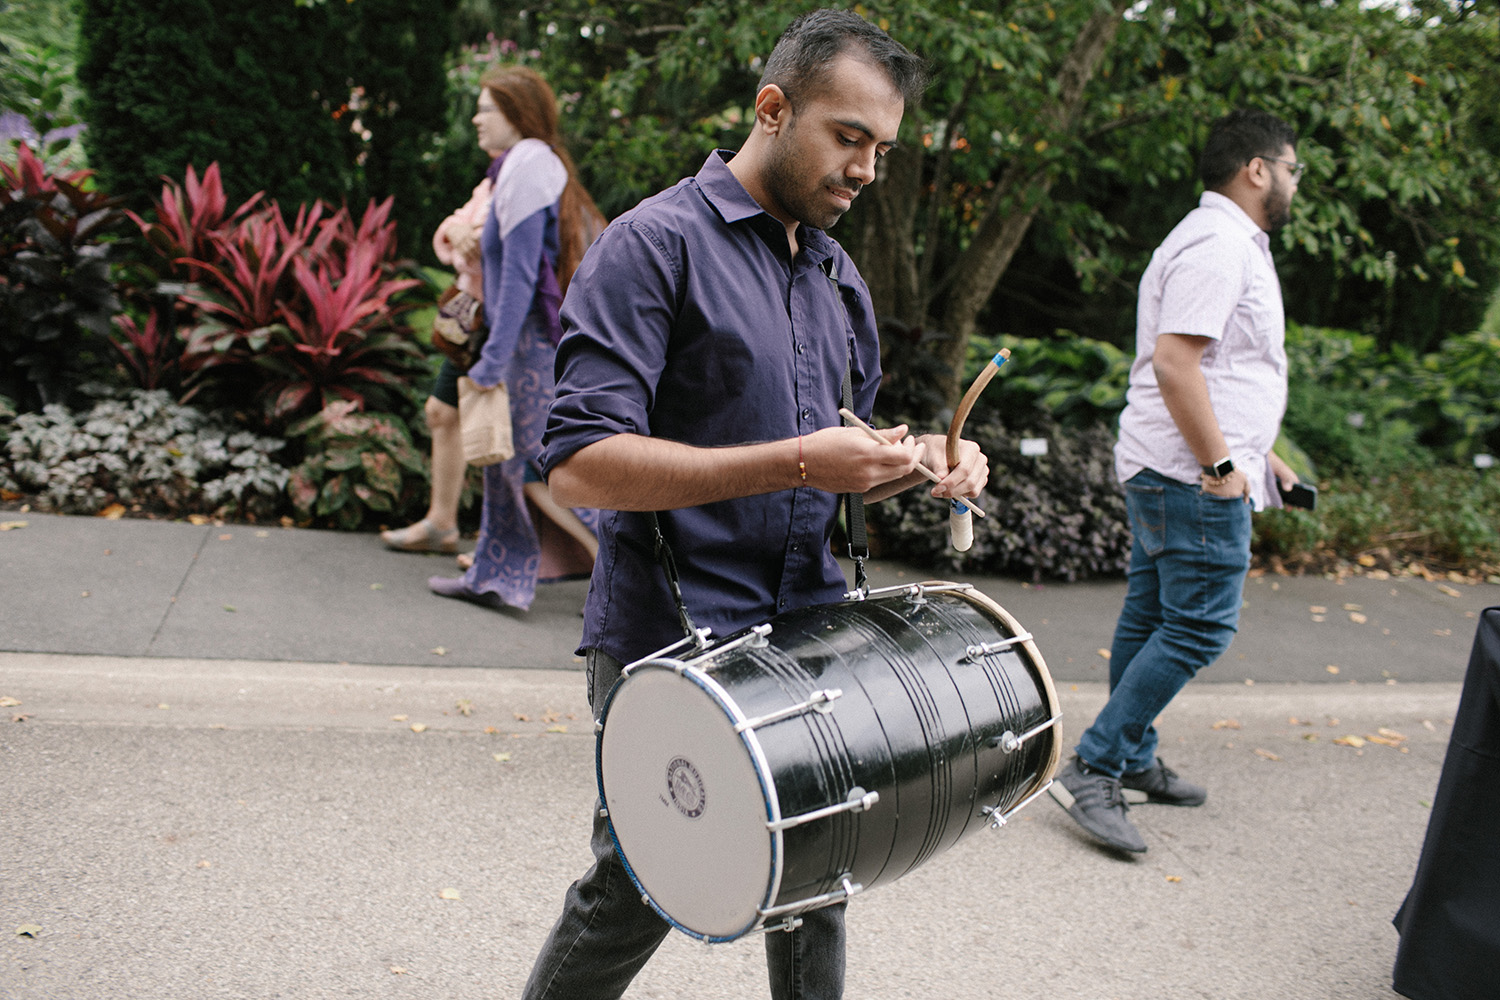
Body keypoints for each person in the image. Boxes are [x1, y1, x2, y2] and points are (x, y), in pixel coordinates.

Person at [524, 10, 987, 999]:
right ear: (773, 109)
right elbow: (579, 466)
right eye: (847, 135)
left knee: (822, 871)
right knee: (639, 886)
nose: (866, 167)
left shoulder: (834, 269)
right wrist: (798, 465)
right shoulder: (651, 245)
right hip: (667, 635)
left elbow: (840, 445)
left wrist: (922, 463)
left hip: (808, 633)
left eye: (883, 148)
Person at [1050, 108, 1305, 855]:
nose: (1293, 183)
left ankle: (1128, 756)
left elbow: (1227, 370)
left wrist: (1261, 455)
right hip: (1192, 476)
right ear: (1256, 168)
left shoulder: (1223, 241)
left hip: (1183, 468)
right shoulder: (1219, 244)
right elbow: (1176, 363)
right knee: (1199, 624)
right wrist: (1223, 466)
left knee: (1154, 613)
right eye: (1290, 168)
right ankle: (1095, 765)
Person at [417, 65, 605, 611]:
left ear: (517, 115)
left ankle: (622, 570)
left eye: (487, 108)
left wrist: (493, 360)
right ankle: (496, 573)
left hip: (526, 347)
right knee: (521, 465)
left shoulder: (527, 165)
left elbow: (522, 274)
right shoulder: (521, 166)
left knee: (531, 464)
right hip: (524, 343)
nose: (476, 117)